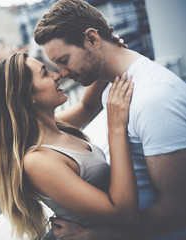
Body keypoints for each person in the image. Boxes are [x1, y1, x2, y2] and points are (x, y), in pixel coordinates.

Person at [33, 0, 186, 239]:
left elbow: (178, 210)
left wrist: (95, 235)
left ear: (93, 39)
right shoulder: (113, 86)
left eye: (64, 60)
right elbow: (85, 107)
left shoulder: (154, 98)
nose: (61, 74)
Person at [0, 52, 137, 240]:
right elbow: (123, 213)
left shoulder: (55, 127)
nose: (57, 75)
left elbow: (87, 107)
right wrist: (116, 128)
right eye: (45, 74)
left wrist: (103, 58)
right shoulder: (38, 160)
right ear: (28, 95)